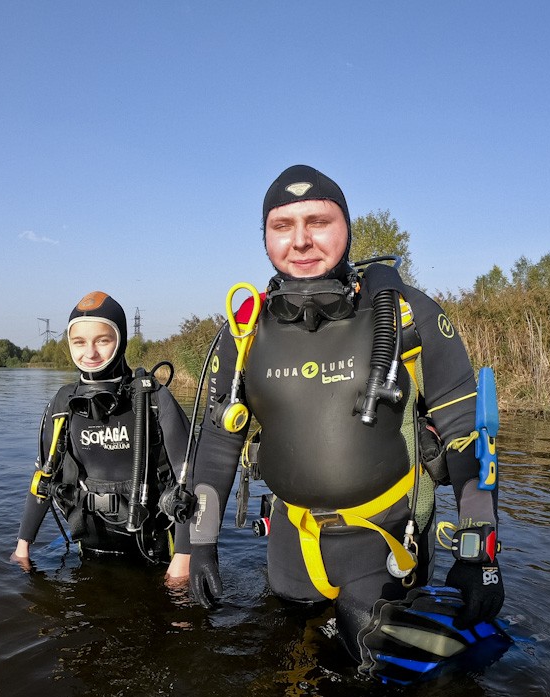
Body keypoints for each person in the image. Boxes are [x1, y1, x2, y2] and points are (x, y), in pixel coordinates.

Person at [185, 164, 505, 667]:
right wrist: (198, 545)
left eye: (319, 221)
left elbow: (468, 435)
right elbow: (220, 443)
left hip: (381, 545)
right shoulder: (244, 331)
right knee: (287, 679)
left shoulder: (406, 315)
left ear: (348, 229)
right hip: (291, 546)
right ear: (265, 238)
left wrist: (479, 554)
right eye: (282, 225)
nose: (301, 240)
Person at [11, 291, 191, 582]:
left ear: (121, 341)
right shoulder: (62, 404)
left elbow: (189, 480)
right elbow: (42, 478)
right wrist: (23, 547)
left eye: (102, 340)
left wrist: (184, 558)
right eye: (79, 342)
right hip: (90, 550)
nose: (90, 352)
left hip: (157, 555)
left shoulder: (153, 399)